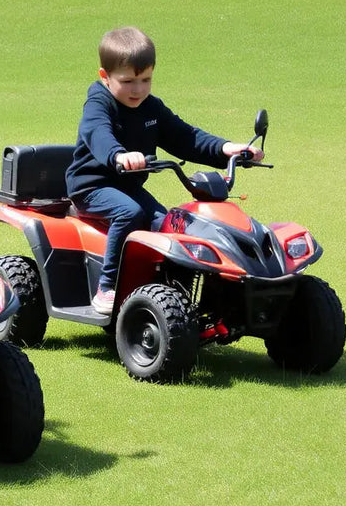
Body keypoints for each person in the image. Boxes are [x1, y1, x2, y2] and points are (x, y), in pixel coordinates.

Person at [64, 26, 264, 314]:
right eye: (128, 80)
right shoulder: (98, 103)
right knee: (129, 213)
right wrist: (119, 155)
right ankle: (108, 286)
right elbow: (98, 133)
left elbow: (185, 137)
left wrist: (225, 148)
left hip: (128, 187)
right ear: (104, 77)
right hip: (91, 187)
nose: (138, 89)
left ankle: (169, 290)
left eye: (146, 79)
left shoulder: (151, 108)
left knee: (169, 222)